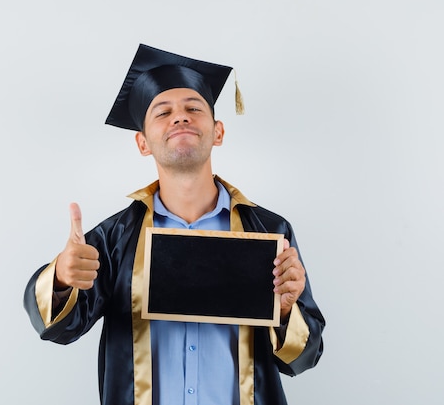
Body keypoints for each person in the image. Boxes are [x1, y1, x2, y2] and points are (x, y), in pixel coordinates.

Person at [24, 44, 325, 405]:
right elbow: (60, 330)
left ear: (218, 132)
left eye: (193, 108)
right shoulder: (115, 239)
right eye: (162, 112)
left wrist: (288, 309)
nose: (179, 118)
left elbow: (304, 358)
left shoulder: (268, 232)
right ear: (143, 143)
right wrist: (60, 277)